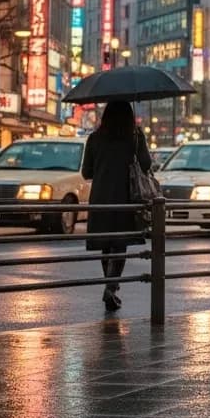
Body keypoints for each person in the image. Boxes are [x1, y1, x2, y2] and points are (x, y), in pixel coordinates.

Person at [79, 100, 150, 312]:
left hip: (100, 197)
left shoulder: (94, 139)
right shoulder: (134, 137)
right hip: (126, 196)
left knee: (106, 243)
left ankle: (110, 285)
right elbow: (146, 165)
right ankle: (111, 287)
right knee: (120, 243)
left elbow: (86, 172)